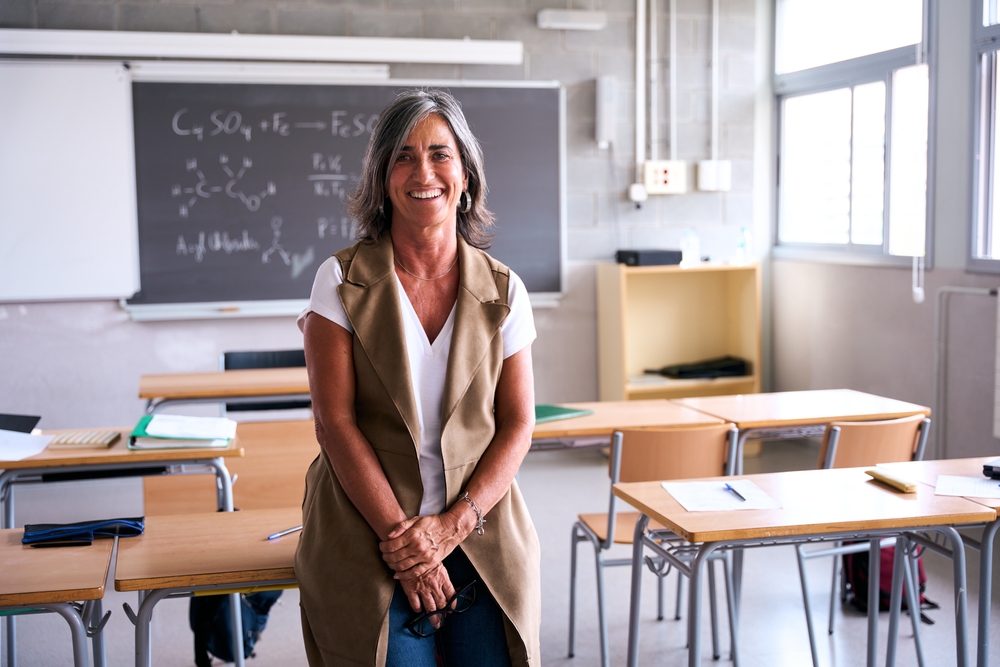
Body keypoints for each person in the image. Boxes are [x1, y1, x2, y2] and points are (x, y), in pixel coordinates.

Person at [294, 89, 541, 667]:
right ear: (382, 178)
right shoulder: (340, 280)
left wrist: (452, 527)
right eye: (402, 156)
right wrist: (411, 551)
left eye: (440, 154)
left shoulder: (505, 291)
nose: (422, 172)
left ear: (466, 175)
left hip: (478, 525)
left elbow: (518, 423)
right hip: (368, 529)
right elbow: (335, 424)